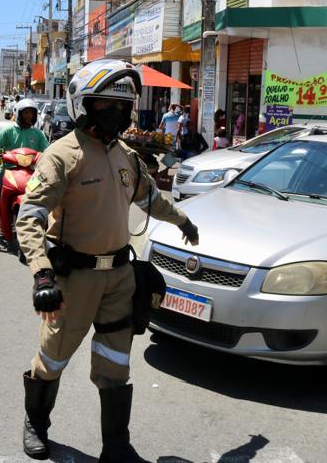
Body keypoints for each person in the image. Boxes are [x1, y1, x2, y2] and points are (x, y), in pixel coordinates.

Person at [14, 59, 200, 461]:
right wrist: (42, 276)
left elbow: (150, 199)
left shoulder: (128, 157)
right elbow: (28, 219)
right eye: (105, 105)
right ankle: (36, 423)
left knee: (116, 364)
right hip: (73, 279)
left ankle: (117, 445)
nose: (116, 114)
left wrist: (183, 220)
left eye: (122, 106)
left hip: (119, 276)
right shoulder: (62, 156)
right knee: (52, 358)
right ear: (82, 105)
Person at [0, 98, 48, 251]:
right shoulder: (8, 130)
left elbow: (46, 151)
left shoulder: (38, 134)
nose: (29, 116)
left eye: (31, 113)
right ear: (18, 113)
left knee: (47, 198)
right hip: (7, 170)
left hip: (31, 174)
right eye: (26, 112)